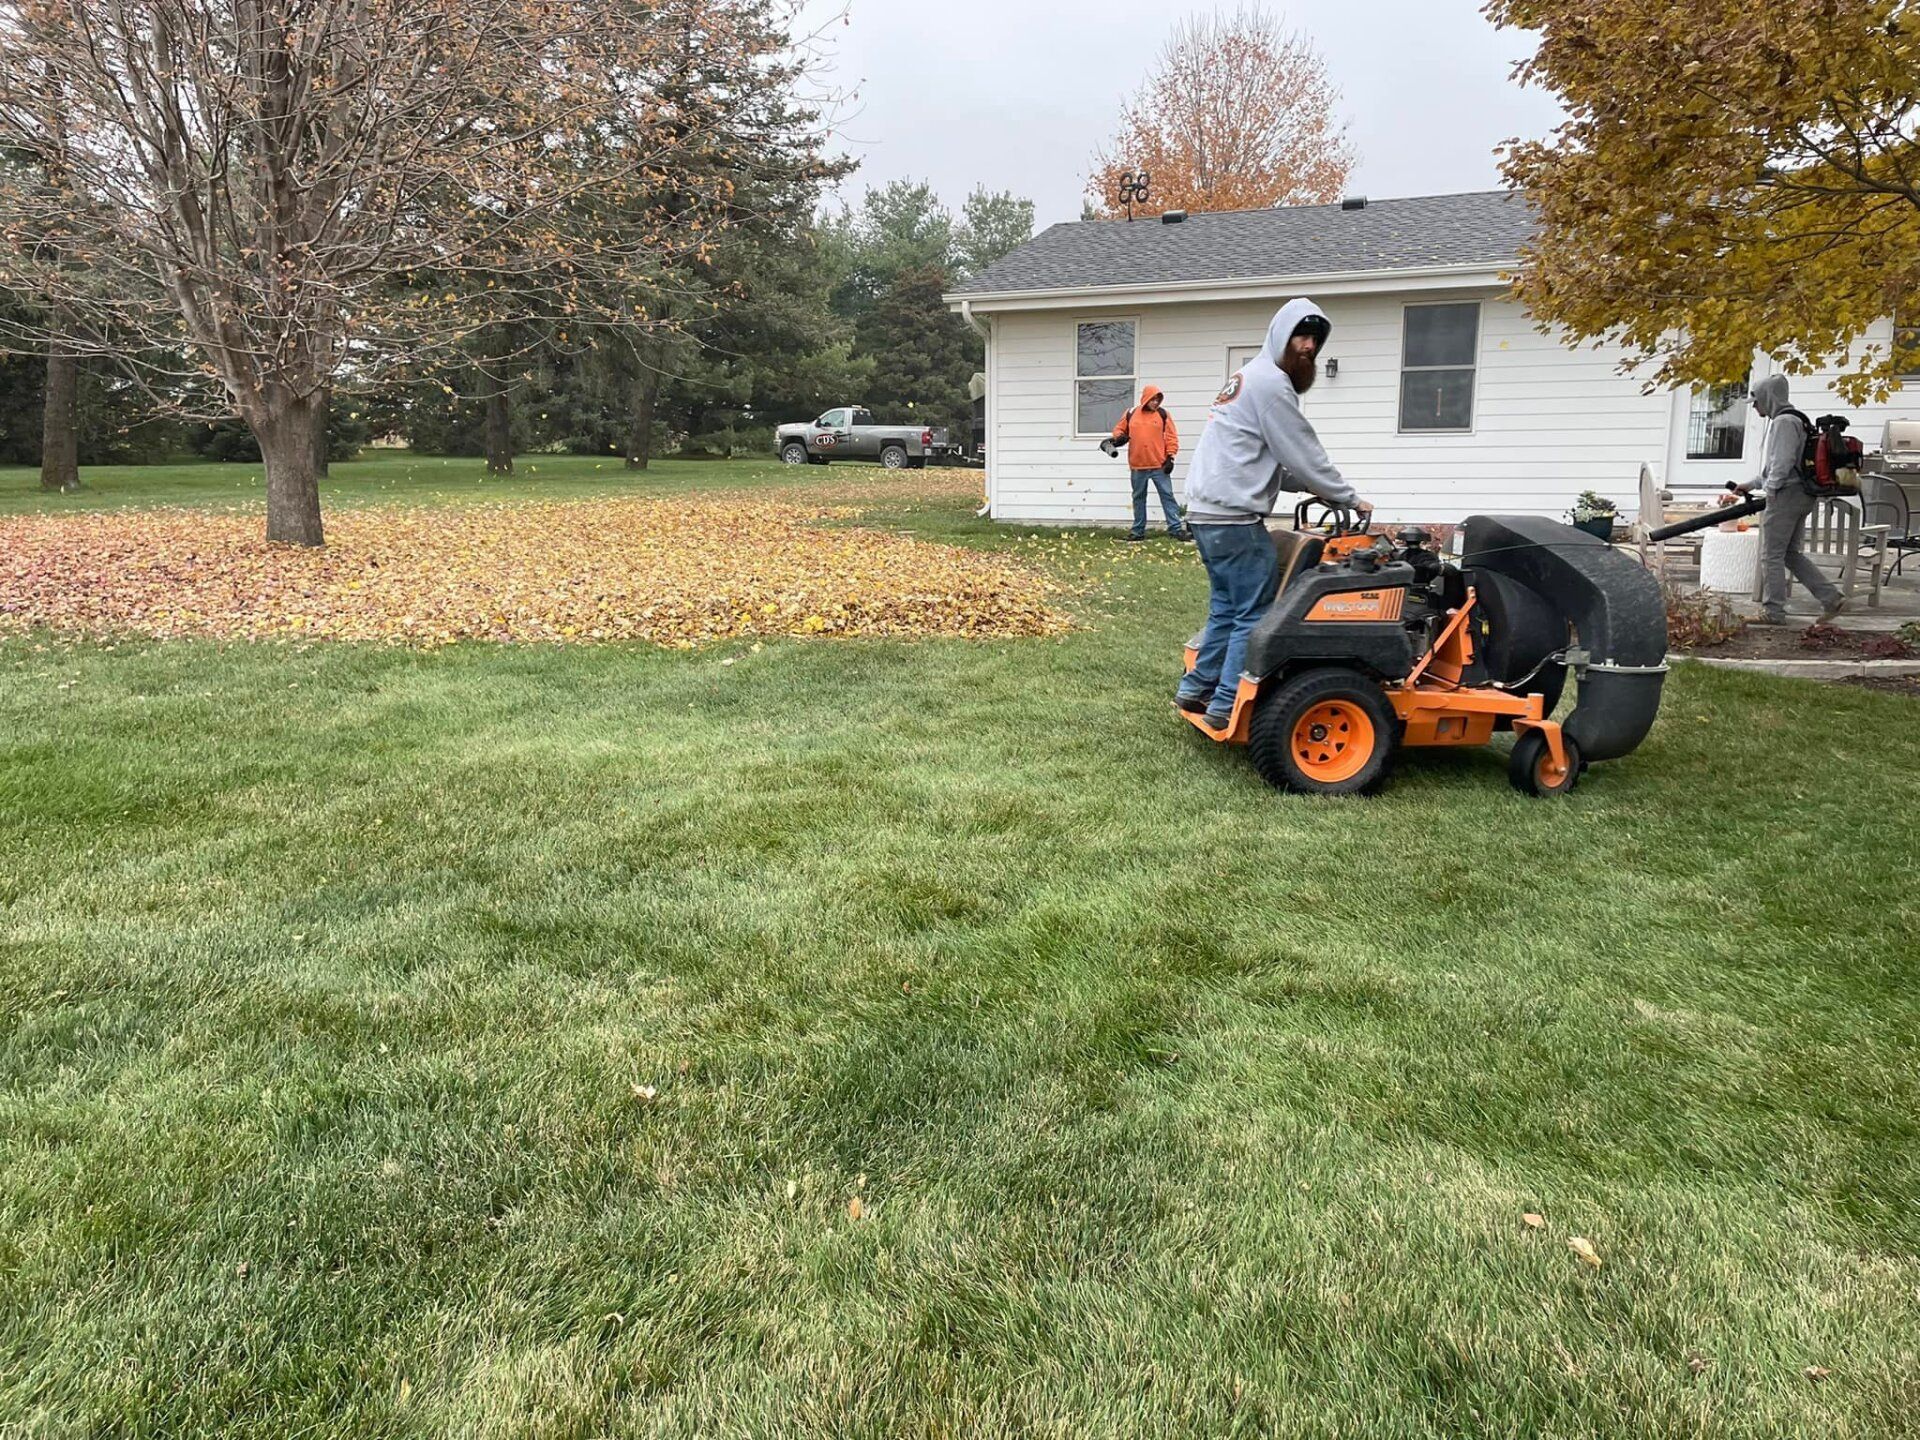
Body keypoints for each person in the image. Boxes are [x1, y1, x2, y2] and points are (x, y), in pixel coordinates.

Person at [1174, 297, 1373, 731]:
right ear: (1279, 335)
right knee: (1255, 613)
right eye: (1301, 336)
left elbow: (1264, 460)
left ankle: (1195, 689)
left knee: (1227, 607)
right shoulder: (1272, 385)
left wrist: (1312, 486)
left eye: (1316, 341)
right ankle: (1226, 703)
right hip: (1233, 521)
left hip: (1206, 516)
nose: (1308, 347)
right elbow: (1304, 452)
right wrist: (1349, 498)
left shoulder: (1247, 378)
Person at [1738, 374, 1846, 624]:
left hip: (1787, 495)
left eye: (1756, 401)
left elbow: (1783, 463)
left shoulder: (1783, 423)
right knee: (1789, 553)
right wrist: (1752, 484)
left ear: (1768, 398)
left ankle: (1773, 612)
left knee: (1771, 555)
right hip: (1802, 494)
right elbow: (1783, 464)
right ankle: (1831, 597)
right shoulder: (1798, 420)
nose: (1755, 407)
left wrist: (1772, 491)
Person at [1105, 385, 1188, 541]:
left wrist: (1170, 457)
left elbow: (1171, 437)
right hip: (1137, 465)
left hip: (1159, 465)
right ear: (1146, 398)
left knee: (1167, 496)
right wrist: (1119, 437)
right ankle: (1138, 532)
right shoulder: (1131, 414)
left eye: (1158, 400)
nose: (1156, 402)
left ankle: (1176, 530)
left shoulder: (1163, 414)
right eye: (1153, 399)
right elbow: (1118, 430)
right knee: (1138, 498)